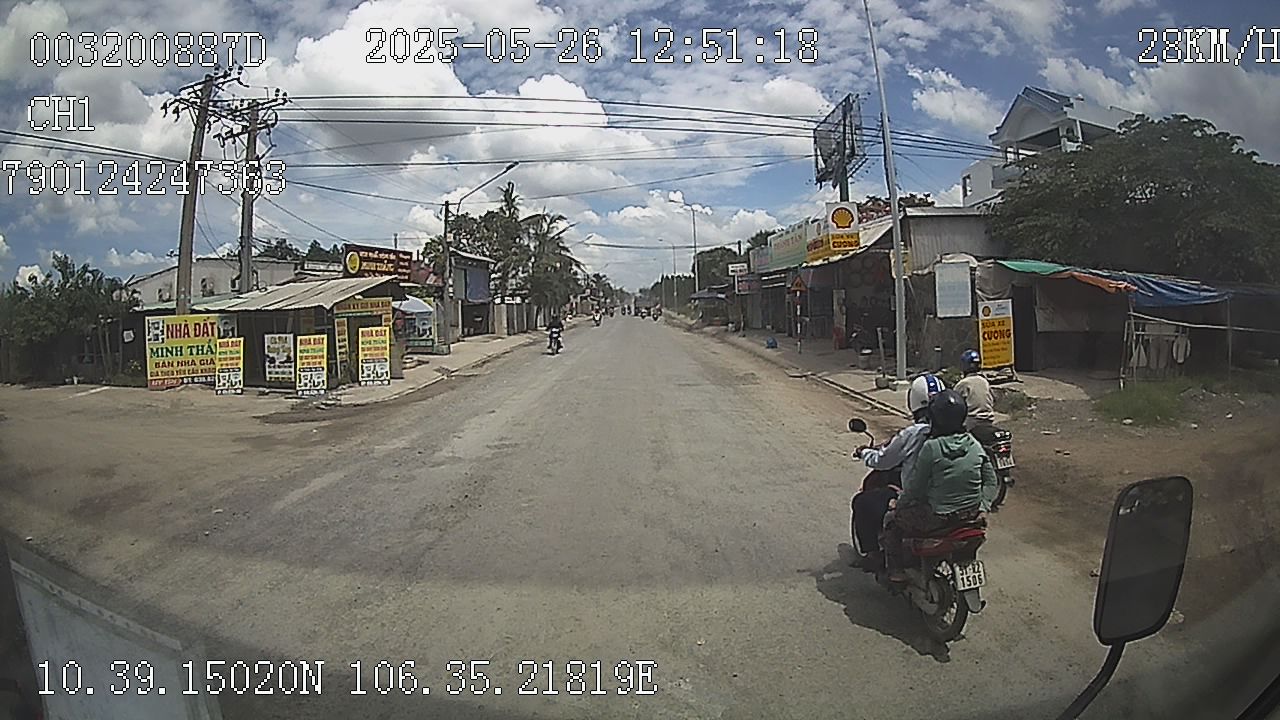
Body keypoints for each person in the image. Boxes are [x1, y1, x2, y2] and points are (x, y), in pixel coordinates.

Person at [881, 389, 997, 583]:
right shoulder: (974, 444)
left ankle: (897, 572)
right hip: (971, 516)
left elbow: (915, 488)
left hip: (938, 519)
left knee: (891, 520)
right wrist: (984, 506)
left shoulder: (931, 448)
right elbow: (991, 481)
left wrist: (898, 504)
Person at [850, 373, 946, 570]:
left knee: (862, 502)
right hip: (954, 500)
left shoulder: (915, 433)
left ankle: (877, 558)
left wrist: (865, 453)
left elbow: (883, 460)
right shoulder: (960, 434)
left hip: (921, 502)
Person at [954, 349, 999, 446]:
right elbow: (993, 399)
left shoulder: (963, 384)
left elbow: (954, 403)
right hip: (989, 420)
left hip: (971, 422)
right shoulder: (984, 381)